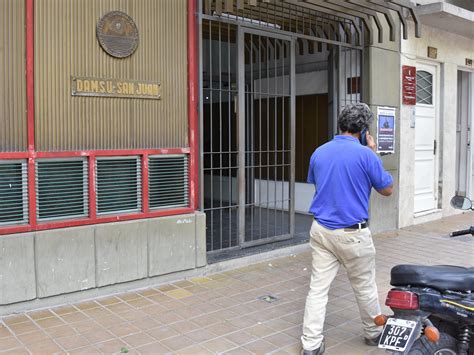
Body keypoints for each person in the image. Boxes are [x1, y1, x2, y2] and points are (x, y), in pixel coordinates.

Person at [301, 103, 393, 355]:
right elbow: (386, 189)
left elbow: (319, 183)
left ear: (340, 125)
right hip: (353, 234)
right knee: (364, 286)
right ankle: (373, 332)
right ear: (364, 131)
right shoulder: (365, 155)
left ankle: (310, 345)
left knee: (317, 289)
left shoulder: (319, 152)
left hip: (321, 231)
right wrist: (373, 153)